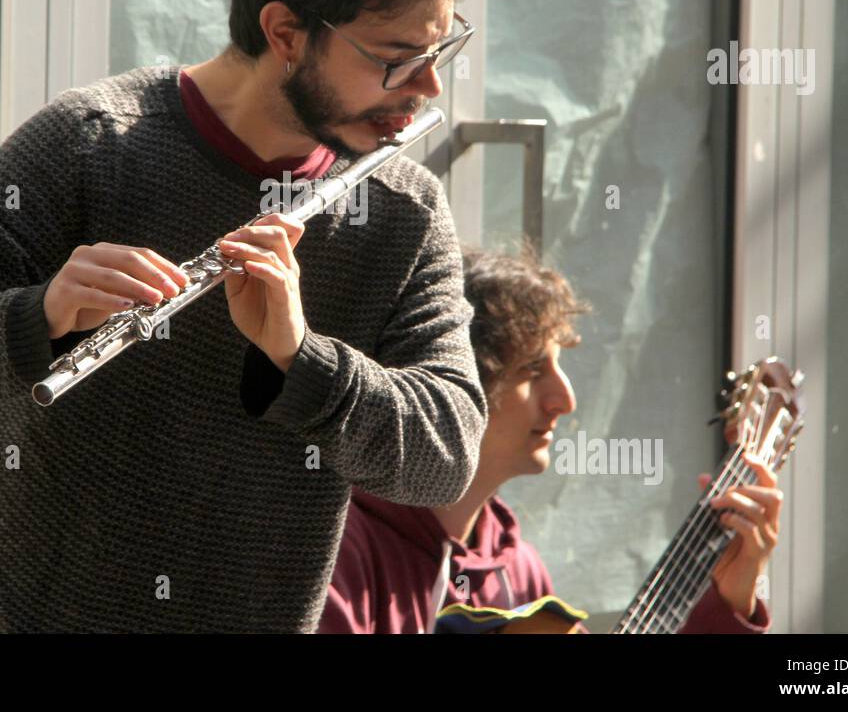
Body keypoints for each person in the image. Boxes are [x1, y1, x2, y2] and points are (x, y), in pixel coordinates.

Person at [0, 0, 488, 633]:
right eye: (396, 58)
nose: (427, 88)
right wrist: (37, 315)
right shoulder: (95, 140)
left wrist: (301, 359)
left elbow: (447, 450)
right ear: (287, 33)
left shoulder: (402, 209)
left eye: (441, 49)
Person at [319, 242, 783, 633]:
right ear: (459, 386)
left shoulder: (518, 570)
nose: (566, 399)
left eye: (559, 366)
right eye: (532, 370)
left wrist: (730, 599)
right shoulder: (339, 549)